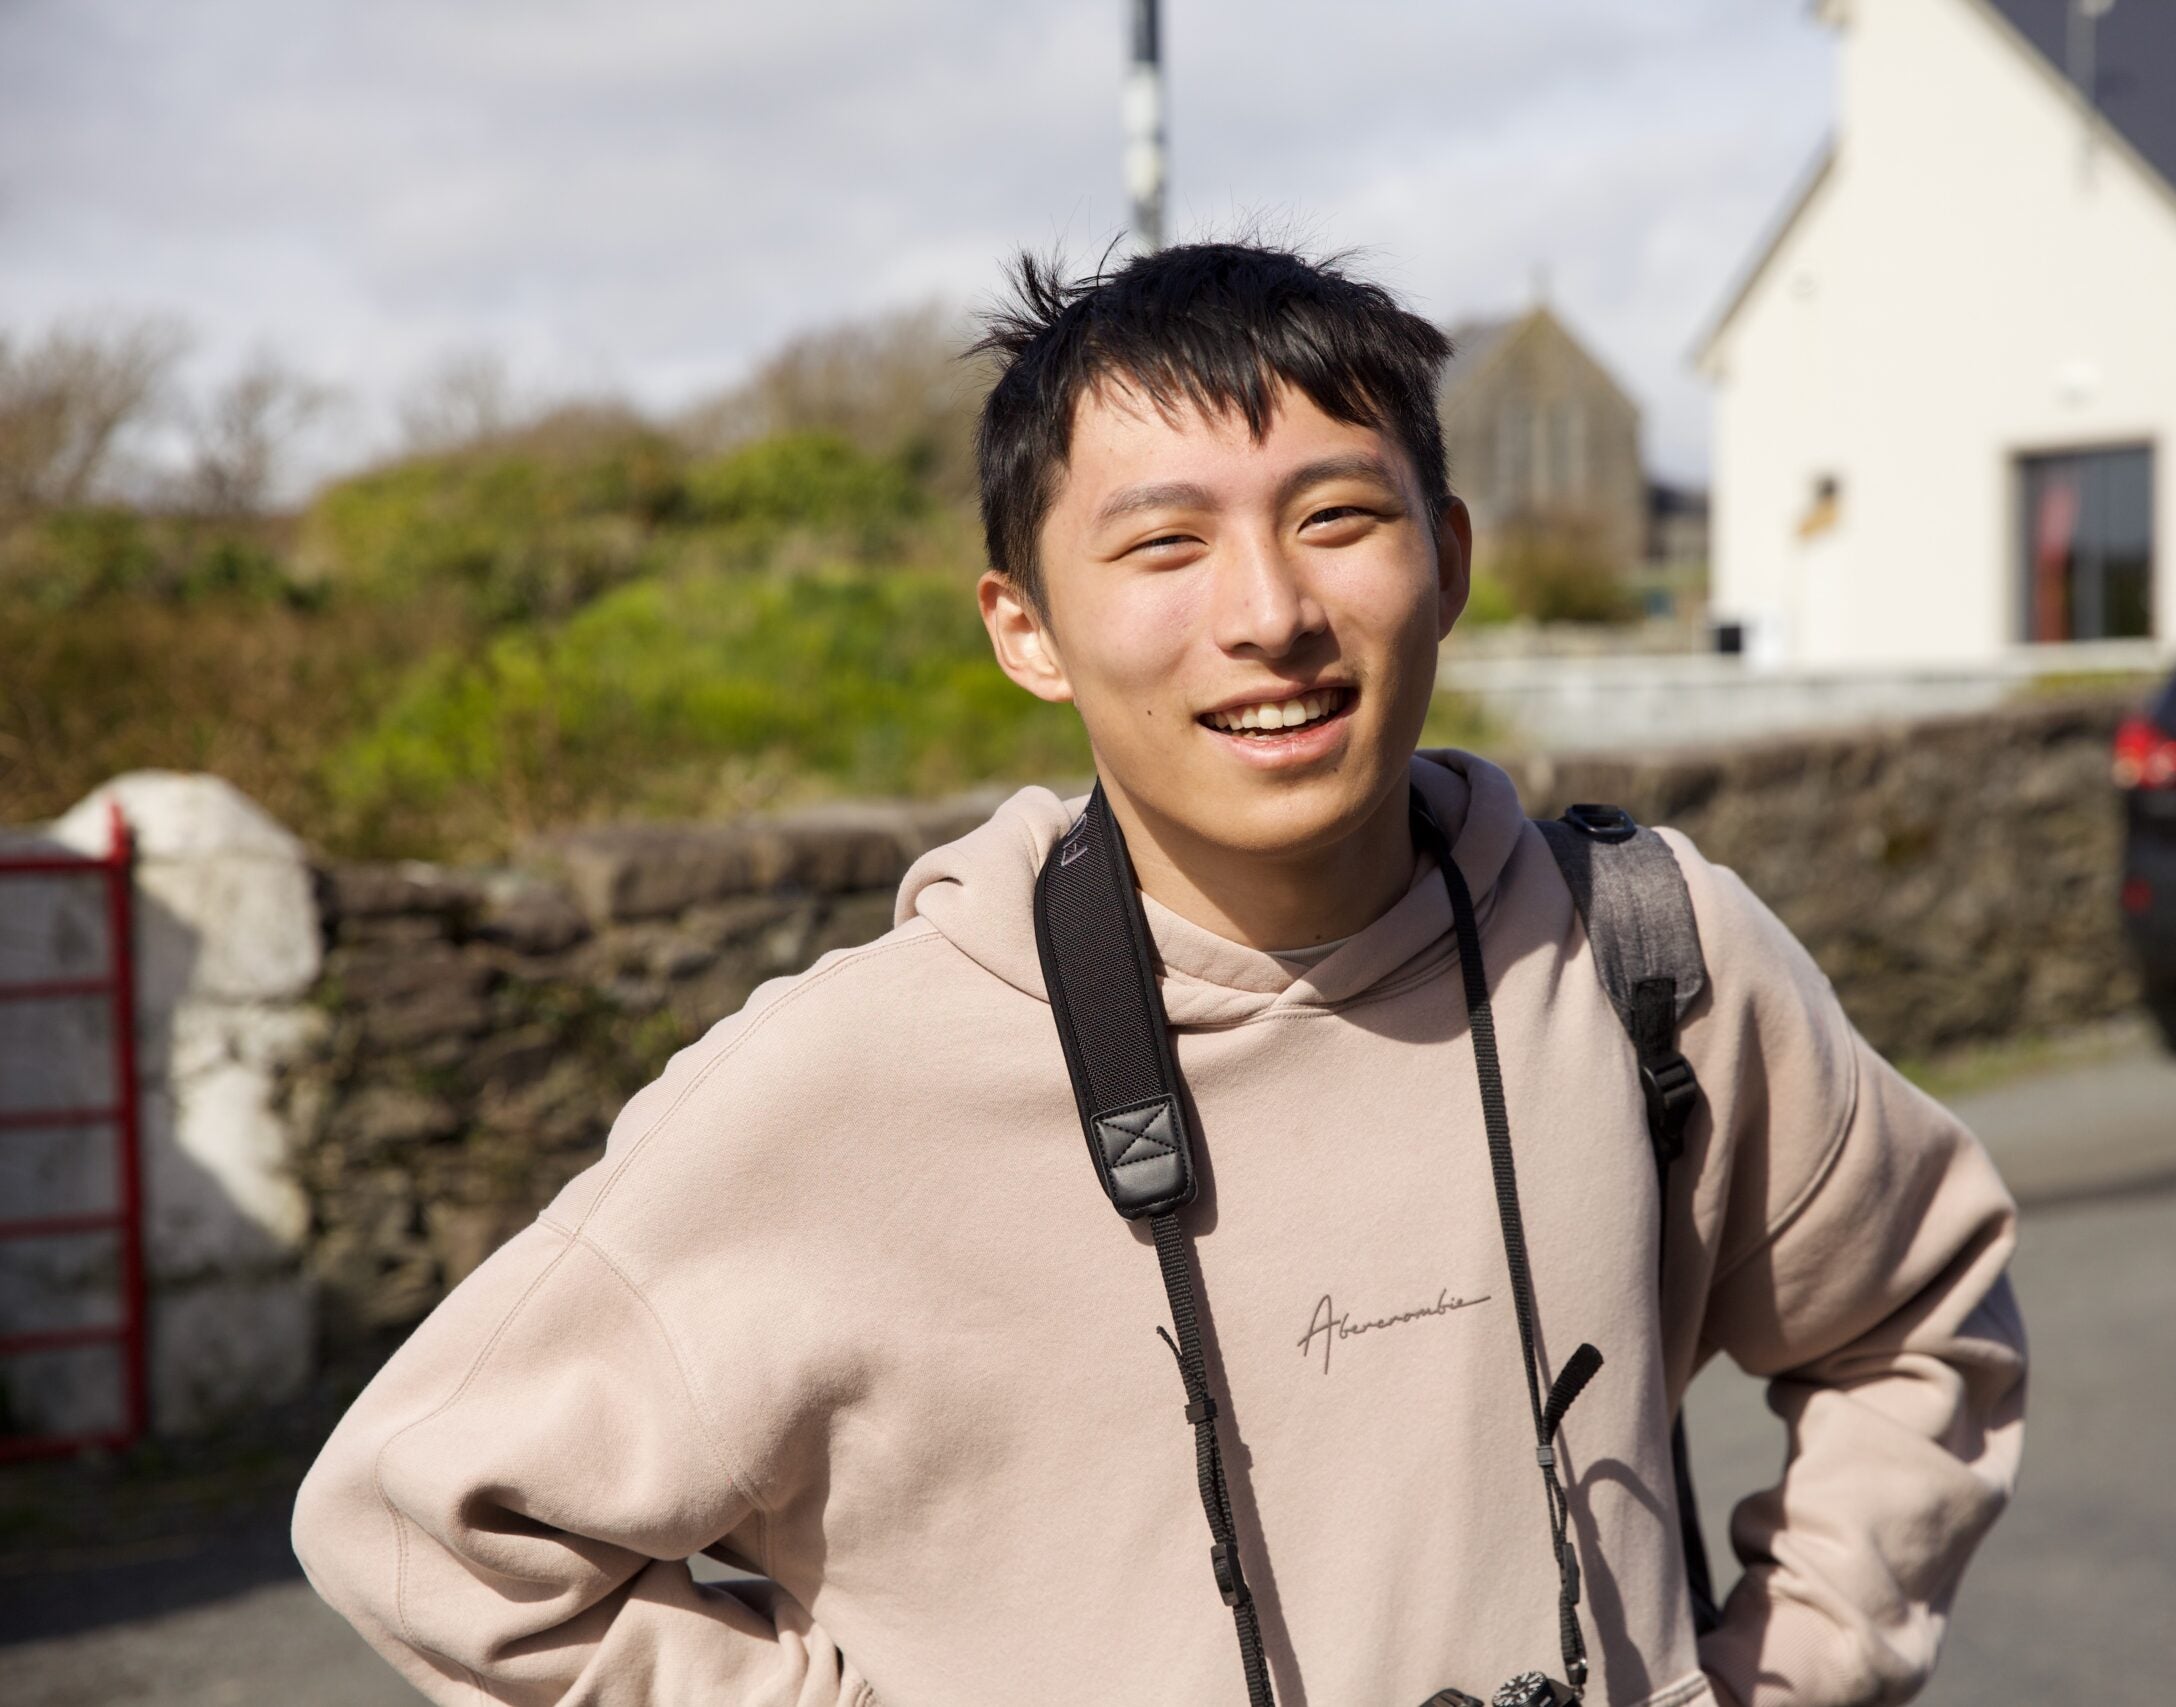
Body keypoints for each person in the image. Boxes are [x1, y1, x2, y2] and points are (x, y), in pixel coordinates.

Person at [292, 240, 2026, 1707]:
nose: (1269, 611)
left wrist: (1783, 1674)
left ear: (1454, 561)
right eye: (1163, 542)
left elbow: (1919, 1325)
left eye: (1339, 515)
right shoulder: (848, 1082)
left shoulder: (1653, 954)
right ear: (1024, 628)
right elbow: (420, 1516)